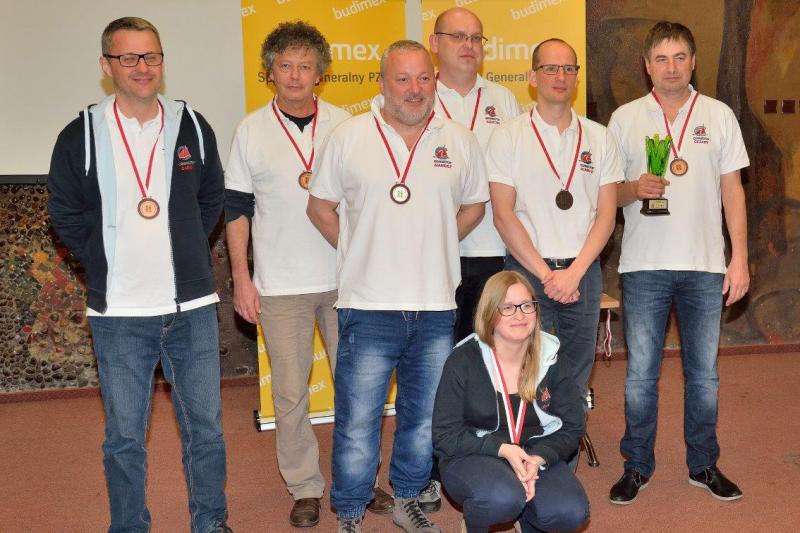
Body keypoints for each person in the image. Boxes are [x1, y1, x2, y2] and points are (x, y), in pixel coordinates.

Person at [47, 17, 231, 533]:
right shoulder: (81, 134)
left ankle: (211, 523)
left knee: (207, 431)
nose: (142, 67)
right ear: (107, 66)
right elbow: (63, 212)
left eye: (151, 56)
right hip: (120, 315)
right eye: (128, 57)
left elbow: (211, 197)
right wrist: (104, 259)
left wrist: (186, 248)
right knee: (125, 438)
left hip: (191, 309)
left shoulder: (192, 126)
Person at [307, 40, 488, 533]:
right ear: (383, 83)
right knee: (358, 420)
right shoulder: (348, 137)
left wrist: (440, 239)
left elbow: (475, 205)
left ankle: (408, 498)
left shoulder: (460, 140)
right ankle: (350, 510)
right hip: (369, 306)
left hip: (435, 306)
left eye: (423, 78)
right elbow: (319, 206)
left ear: (435, 81)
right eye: (403, 79)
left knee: (423, 417)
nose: (414, 89)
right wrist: (357, 249)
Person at [224, 21, 382, 528]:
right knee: (290, 394)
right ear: (270, 73)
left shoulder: (347, 125)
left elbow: (367, 199)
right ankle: (305, 486)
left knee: (359, 389)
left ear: (321, 74)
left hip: (347, 282)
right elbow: (236, 209)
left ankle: (359, 478)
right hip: (280, 286)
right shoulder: (250, 130)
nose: (295, 75)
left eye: (305, 66)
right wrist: (242, 278)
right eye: (285, 65)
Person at [607, 21, 749, 504]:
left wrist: (739, 258)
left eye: (680, 57)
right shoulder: (625, 119)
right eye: (662, 59)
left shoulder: (719, 115)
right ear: (647, 65)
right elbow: (607, 196)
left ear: (693, 62)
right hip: (643, 266)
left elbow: (733, 191)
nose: (671, 67)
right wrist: (634, 189)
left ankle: (703, 464)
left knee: (704, 377)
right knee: (640, 377)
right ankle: (636, 466)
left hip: (705, 266)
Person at [487, 38, 621, 443]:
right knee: (526, 371)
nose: (560, 76)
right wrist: (547, 275)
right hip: (528, 274)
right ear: (532, 77)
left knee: (576, 373)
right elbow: (503, 214)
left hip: (583, 273)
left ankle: (563, 461)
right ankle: (527, 457)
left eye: (568, 69)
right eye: (550, 68)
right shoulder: (507, 136)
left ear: (577, 77)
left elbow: (606, 215)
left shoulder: (600, 137)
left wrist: (574, 272)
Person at [432, 271, 589, 533]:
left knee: (570, 511)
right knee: (501, 498)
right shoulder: (463, 360)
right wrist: (502, 449)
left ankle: (527, 520)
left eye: (527, 305)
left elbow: (572, 426)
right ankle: (476, 522)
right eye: (507, 307)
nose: (520, 315)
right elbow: (445, 435)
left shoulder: (551, 357)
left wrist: (539, 458)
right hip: (475, 452)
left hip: (532, 451)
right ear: (489, 314)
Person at [430, 7, 523, 343]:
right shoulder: (419, 98)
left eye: (475, 38)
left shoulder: (504, 100)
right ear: (434, 43)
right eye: (457, 36)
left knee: (490, 349)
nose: (468, 45)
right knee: (436, 351)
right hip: (434, 252)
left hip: (492, 250)